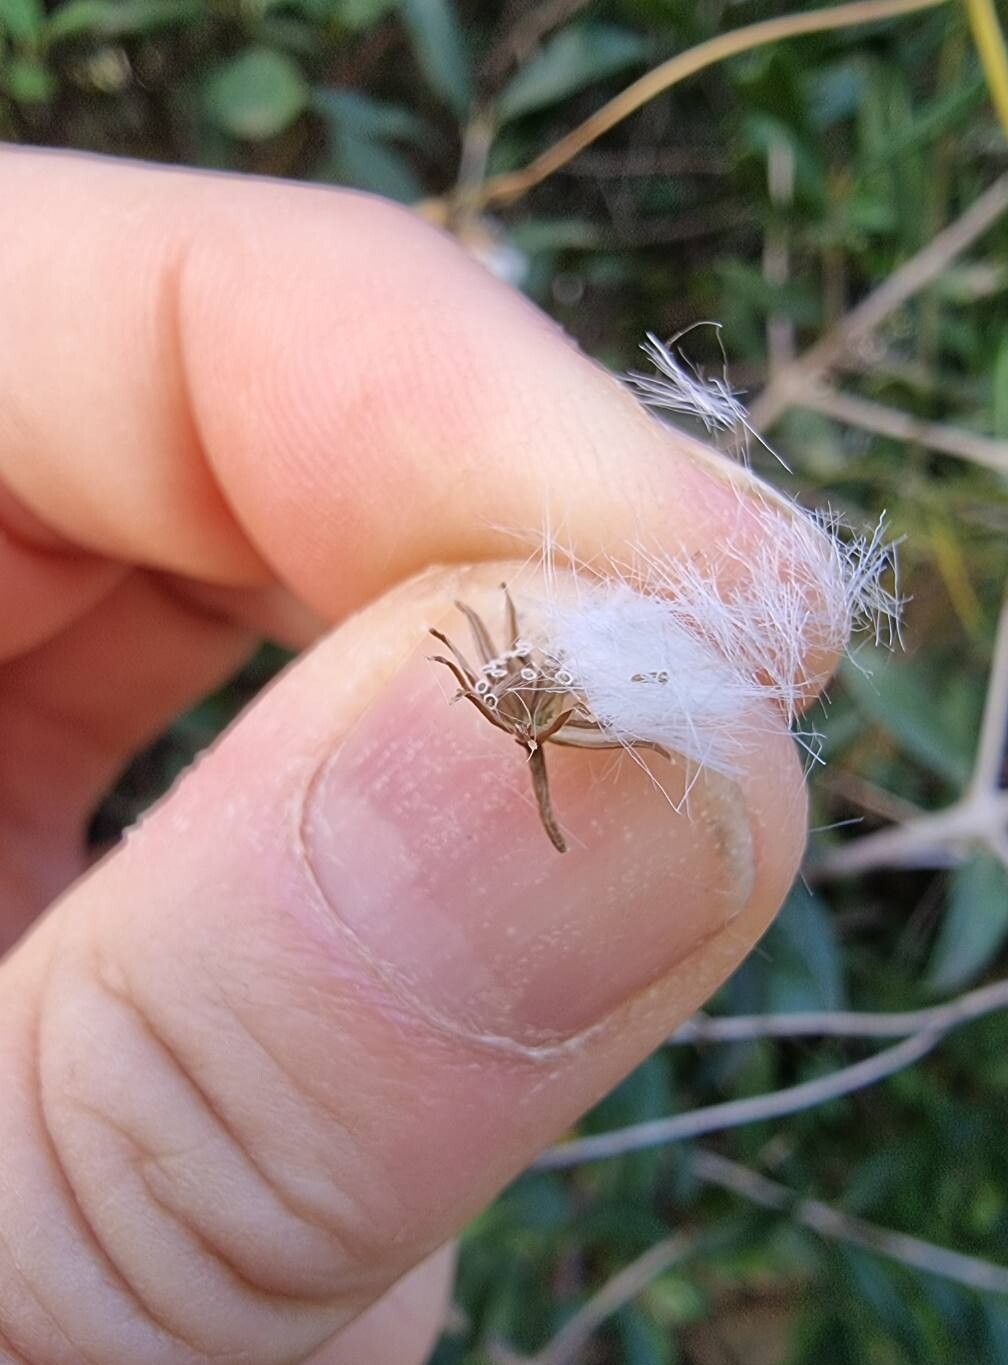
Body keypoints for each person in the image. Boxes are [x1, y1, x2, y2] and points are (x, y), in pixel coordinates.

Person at [0, 148, 826, 1364]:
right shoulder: (510, 684)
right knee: (505, 686)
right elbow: (483, 664)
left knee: (515, 685)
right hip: (543, 701)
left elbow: (491, 663)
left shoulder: (522, 680)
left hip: (553, 700)